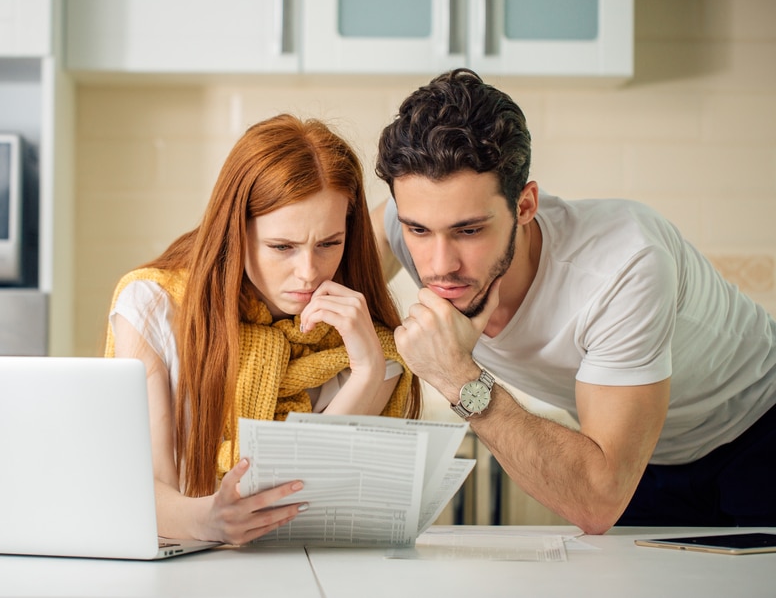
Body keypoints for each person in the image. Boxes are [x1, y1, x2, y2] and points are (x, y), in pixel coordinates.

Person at [372, 68, 776, 534]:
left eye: (469, 230)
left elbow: (597, 501)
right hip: (638, 459)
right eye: (419, 229)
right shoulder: (400, 226)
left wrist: (456, 376)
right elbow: (305, 303)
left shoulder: (623, 265)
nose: (440, 264)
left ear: (525, 206)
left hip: (759, 431)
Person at [105, 113, 421, 545]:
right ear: (235, 232)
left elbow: (304, 491)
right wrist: (212, 520)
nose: (308, 272)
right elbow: (145, 492)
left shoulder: (369, 342)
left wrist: (367, 373)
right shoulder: (153, 307)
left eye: (329, 243)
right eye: (281, 247)